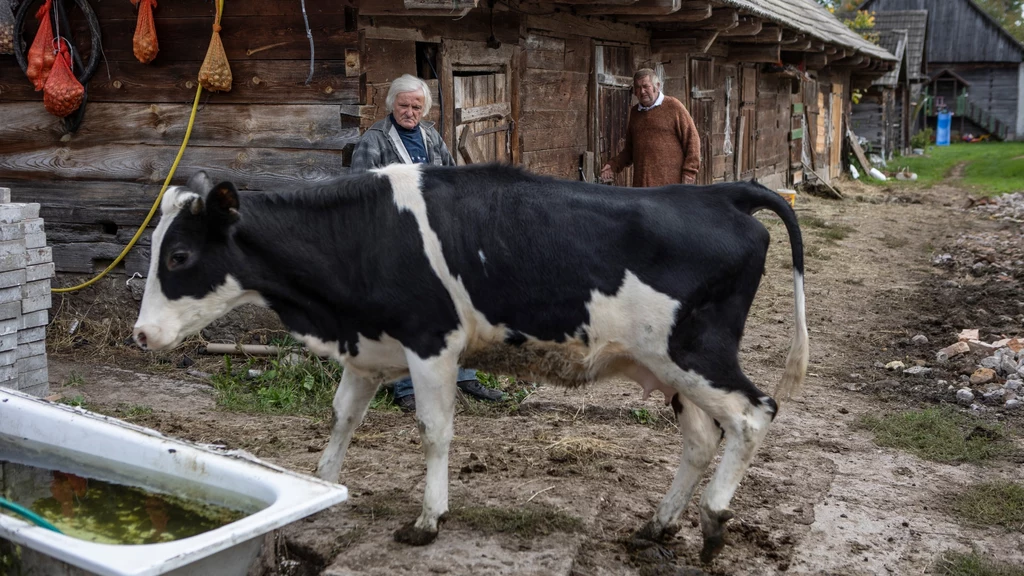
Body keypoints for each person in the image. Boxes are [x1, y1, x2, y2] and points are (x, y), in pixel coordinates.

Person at [349, 73, 503, 411]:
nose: (410, 112)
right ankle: (406, 388)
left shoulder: (431, 136)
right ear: (392, 105)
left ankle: (464, 376)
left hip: (437, 236)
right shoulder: (374, 141)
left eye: (416, 106)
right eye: (404, 105)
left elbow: (452, 178)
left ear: (424, 108)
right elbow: (358, 192)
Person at [600, 68, 701, 187]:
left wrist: (690, 172)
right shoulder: (635, 113)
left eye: (645, 86)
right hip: (642, 186)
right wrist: (613, 165)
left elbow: (693, 140)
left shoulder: (673, 106)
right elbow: (629, 150)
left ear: (657, 86)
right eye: (638, 87)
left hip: (670, 187)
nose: (642, 91)